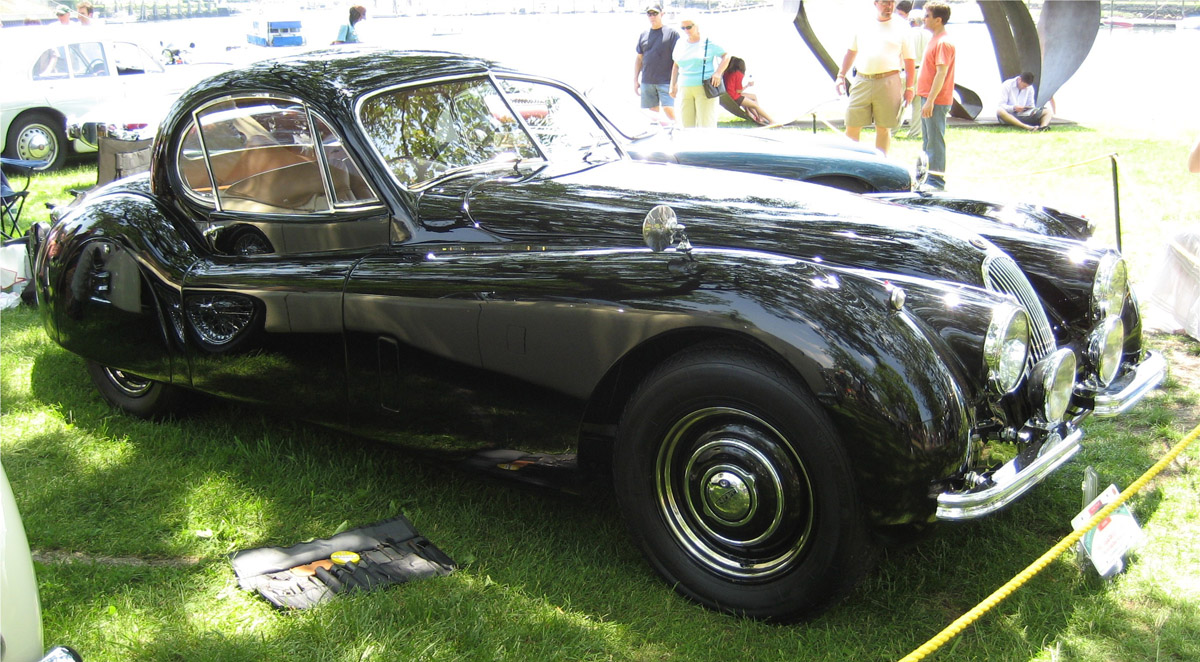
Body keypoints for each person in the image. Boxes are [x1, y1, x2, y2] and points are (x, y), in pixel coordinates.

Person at [835, 0, 915, 156]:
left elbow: (910, 60)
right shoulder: (863, 23)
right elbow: (851, 52)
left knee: (883, 128)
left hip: (889, 80)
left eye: (892, 2)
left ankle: (880, 165)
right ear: (876, 3)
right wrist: (841, 75)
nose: (889, 6)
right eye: (885, 2)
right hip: (862, 79)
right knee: (852, 124)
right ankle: (851, 164)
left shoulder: (902, 26)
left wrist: (910, 88)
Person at [917, 2, 955, 190]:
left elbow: (941, 73)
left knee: (935, 141)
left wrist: (931, 101)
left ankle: (936, 181)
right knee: (927, 140)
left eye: (927, 16)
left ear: (938, 20)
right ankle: (926, 177)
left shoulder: (943, 43)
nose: (923, 19)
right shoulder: (934, 39)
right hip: (927, 97)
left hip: (936, 101)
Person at [670, 15, 730, 129]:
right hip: (684, 88)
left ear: (697, 26)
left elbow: (726, 55)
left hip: (705, 88)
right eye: (682, 28)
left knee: (706, 124)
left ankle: (707, 146)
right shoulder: (680, 43)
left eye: (689, 27)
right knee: (686, 125)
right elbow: (676, 65)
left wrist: (718, 73)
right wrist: (672, 85)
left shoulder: (708, 42)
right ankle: (689, 146)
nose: (686, 30)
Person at [634, 4, 680, 123]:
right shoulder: (643, 35)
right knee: (652, 116)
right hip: (647, 81)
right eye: (649, 14)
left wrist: (675, 82)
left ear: (662, 14)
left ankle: (678, 131)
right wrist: (635, 80)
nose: (652, 16)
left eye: (655, 13)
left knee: (668, 109)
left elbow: (678, 59)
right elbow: (639, 58)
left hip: (666, 81)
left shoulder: (672, 34)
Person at [723, 57, 774, 126]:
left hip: (728, 95)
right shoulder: (738, 73)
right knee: (755, 105)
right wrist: (747, 85)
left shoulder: (727, 73)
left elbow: (734, 89)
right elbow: (739, 91)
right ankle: (771, 121)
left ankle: (760, 117)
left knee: (753, 97)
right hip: (733, 96)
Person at [902, 7, 929, 139]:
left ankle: (892, 130)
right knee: (918, 105)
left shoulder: (906, 34)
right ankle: (914, 133)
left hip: (906, 71)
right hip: (923, 71)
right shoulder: (929, 35)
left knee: (900, 102)